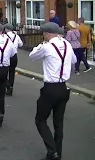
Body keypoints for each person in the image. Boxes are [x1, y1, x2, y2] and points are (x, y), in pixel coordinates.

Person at [29, 22, 77, 160]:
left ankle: (52, 151)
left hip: (50, 88)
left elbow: (32, 56)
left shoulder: (47, 47)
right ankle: (58, 153)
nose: (43, 35)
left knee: (40, 120)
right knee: (58, 123)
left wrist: (41, 45)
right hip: (63, 87)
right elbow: (73, 60)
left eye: (44, 33)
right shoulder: (67, 44)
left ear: (48, 33)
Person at [4, 23, 23, 96]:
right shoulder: (16, 36)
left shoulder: (4, 36)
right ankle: (11, 87)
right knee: (12, 72)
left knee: (4, 73)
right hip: (14, 56)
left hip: (6, 56)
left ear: (6, 29)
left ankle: (8, 86)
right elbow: (21, 44)